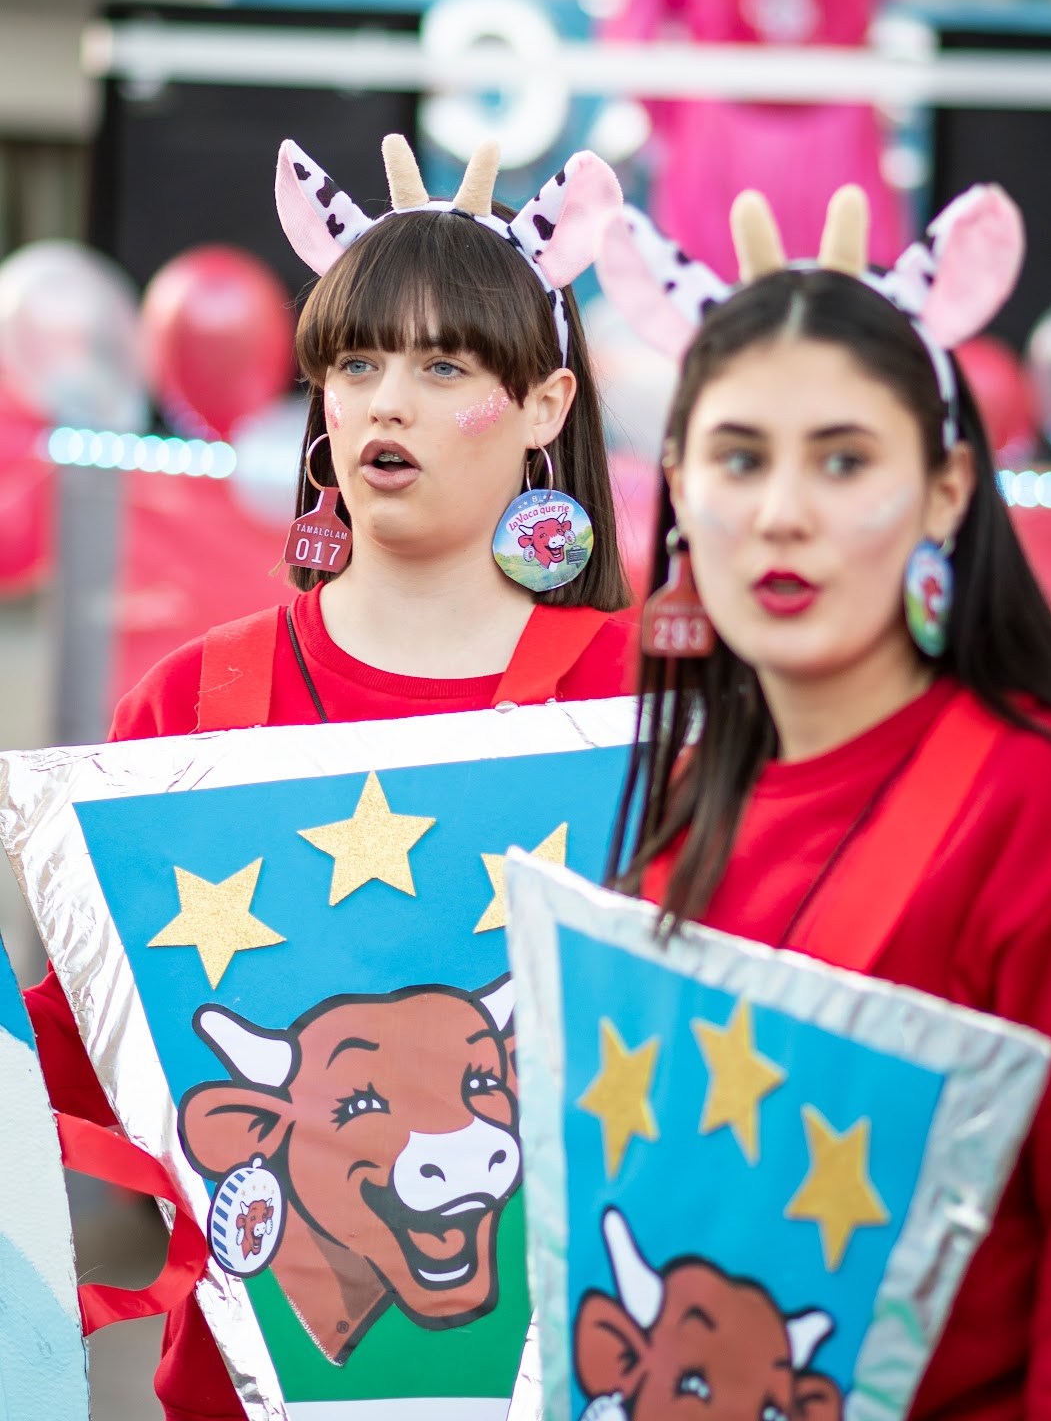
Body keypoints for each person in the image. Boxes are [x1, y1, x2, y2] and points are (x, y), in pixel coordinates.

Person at [25, 134, 637, 1420]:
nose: (385, 403)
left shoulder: (640, 698)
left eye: (443, 365)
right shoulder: (191, 703)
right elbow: (95, 1062)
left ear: (544, 407)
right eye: (356, 362)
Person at [600, 183, 1051, 1421]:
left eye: (843, 459)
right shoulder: (681, 797)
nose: (781, 514)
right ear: (677, 487)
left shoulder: (1034, 808)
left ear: (947, 488)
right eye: (738, 458)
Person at [603, 0, 907, 275]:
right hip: (840, 132)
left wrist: (661, 118)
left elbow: (633, 26)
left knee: (715, 302)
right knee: (845, 294)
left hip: (713, 133)